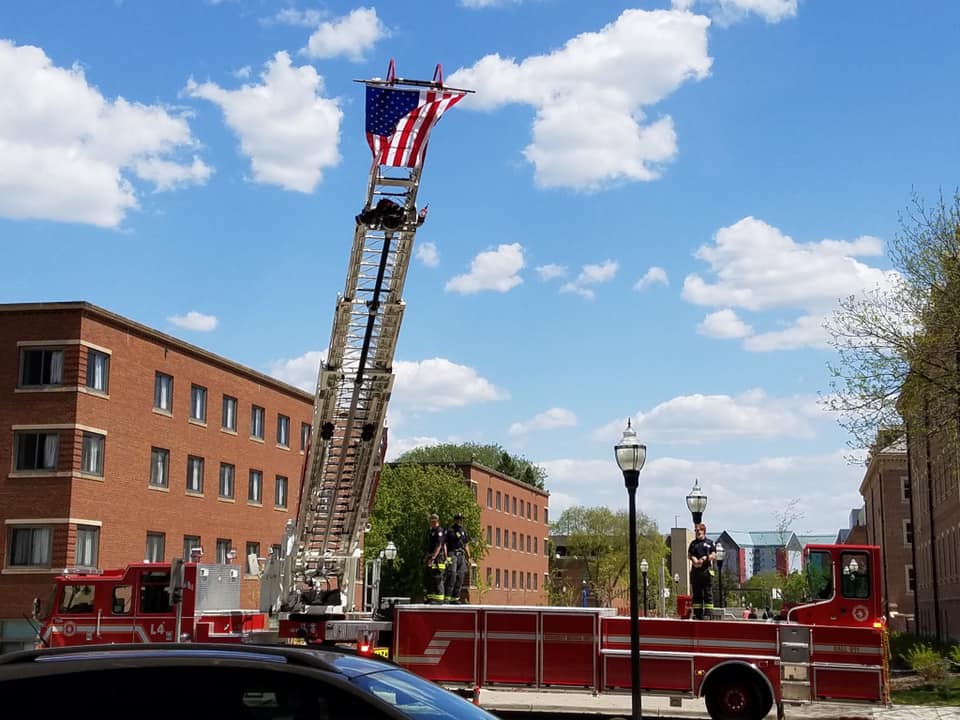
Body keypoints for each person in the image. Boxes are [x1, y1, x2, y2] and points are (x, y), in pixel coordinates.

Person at [687, 522, 716, 619]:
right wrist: (694, 559)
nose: (697, 532)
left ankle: (708, 613)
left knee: (707, 592)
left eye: (699, 530)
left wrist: (705, 558)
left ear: (704, 531)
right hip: (696, 572)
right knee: (697, 593)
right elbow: (689, 555)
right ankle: (698, 613)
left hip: (706, 571)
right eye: (696, 530)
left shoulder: (710, 543)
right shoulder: (693, 544)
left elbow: (714, 555)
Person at [443, 513, 471, 603]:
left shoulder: (464, 531)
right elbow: (445, 544)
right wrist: (446, 556)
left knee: (460, 576)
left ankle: (455, 598)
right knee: (452, 576)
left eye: (461, 519)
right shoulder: (450, 530)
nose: (460, 521)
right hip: (452, 554)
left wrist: (469, 557)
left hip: (461, 555)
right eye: (458, 519)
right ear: (455, 520)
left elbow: (466, 545)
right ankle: (447, 597)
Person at [423, 513, 447, 603]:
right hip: (431, 557)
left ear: (437, 521)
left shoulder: (439, 531)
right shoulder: (431, 531)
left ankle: (439, 599)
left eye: (433, 521)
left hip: (437, 558)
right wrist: (427, 556)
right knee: (429, 578)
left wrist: (433, 558)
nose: (432, 522)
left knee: (437, 578)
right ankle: (430, 598)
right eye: (431, 521)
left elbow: (439, 545)